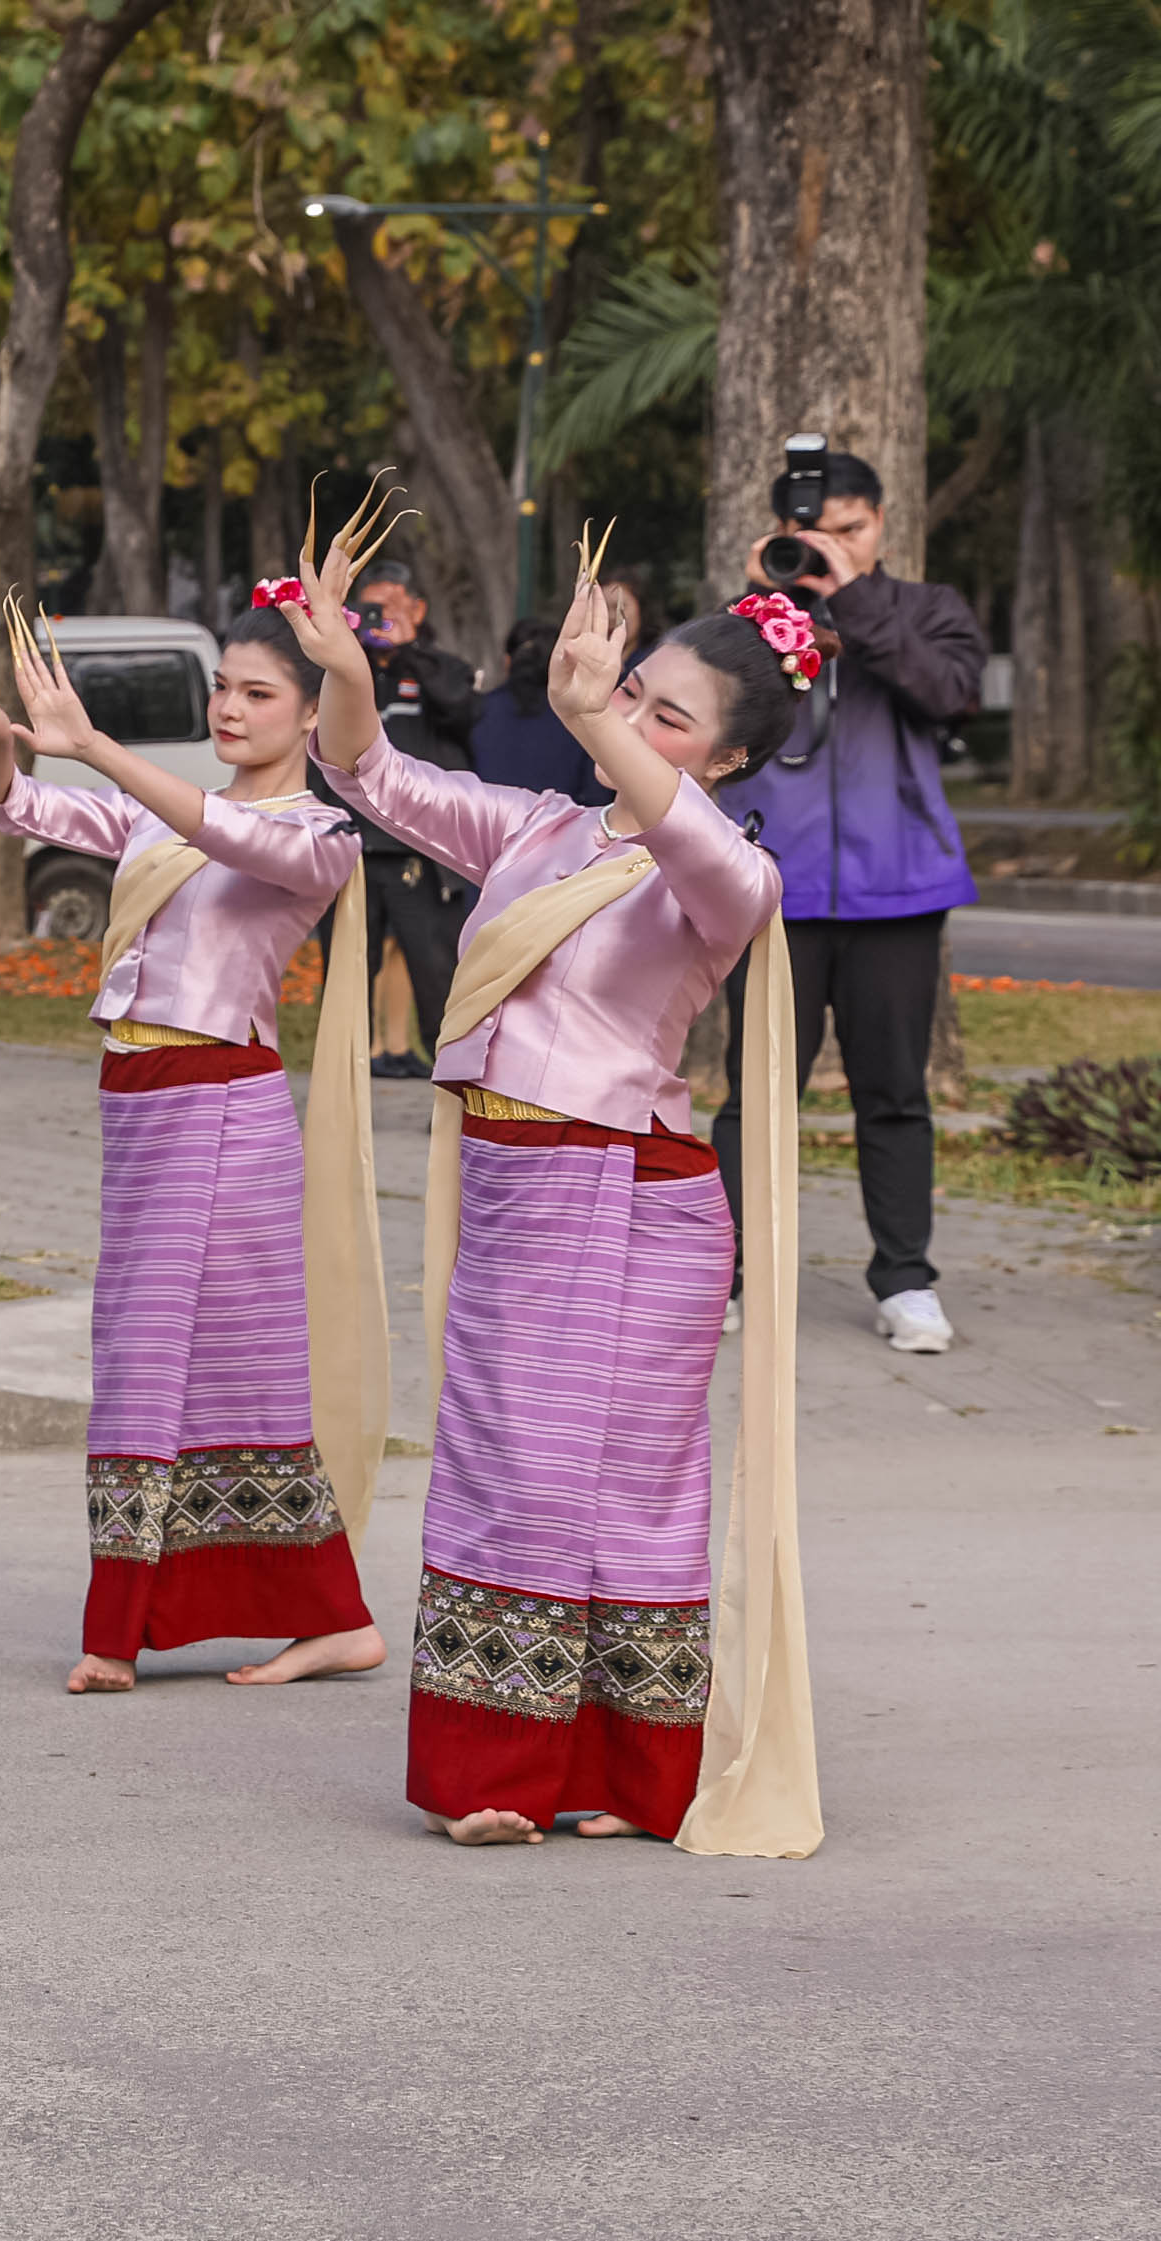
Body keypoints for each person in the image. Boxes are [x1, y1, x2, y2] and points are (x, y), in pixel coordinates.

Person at [300, 521, 817, 1854]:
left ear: (731, 759)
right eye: (631, 692)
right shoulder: (539, 828)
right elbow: (369, 775)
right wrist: (344, 664)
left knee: (613, 1485)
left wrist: (592, 717)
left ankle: (620, 1777)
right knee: (503, 1467)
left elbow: (699, 853)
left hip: (632, 1192)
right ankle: (516, 1767)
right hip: (519, 1184)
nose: (630, 720)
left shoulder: (728, 871)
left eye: (669, 718)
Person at [0, 582, 389, 1695]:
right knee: (201, 1367)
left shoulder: (320, 834)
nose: (229, 707)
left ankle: (127, 1631)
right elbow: (17, 808)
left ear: (314, 709)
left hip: (222, 1105)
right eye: (222, 687)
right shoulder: (167, 809)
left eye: (259, 693)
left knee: (181, 1365)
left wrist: (94, 744)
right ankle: (329, 1618)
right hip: (141, 1103)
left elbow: (220, 832)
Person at [712, 447, 988, 1357]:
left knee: (895, 1093)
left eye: (851, 530)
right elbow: (689, 713)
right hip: (771, 890)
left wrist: (855, 599)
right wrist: (759, 612)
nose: (831, 547)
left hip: (898, 890)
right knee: (756, 1093)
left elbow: (951, 695)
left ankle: (906, 1280)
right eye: (814, 534)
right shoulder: (752, 618)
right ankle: (724, 1274)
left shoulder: (926, 608)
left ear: (880, 525)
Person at [318, 557, 481, 1075]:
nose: (380, 618)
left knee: (437, 975)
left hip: (420, 850)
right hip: (351, 847)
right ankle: (343, 1082)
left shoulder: (441, 668)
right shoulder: (342, 670)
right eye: (371, 608)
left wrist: (409, 650)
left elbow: (463, 712)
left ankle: (455, 1082)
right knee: (346, 975)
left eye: (391, 607)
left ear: (418, 609)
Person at [467, 616, 615, 806]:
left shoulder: (475, 711)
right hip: (560, 822)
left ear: (507, 661)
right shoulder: (582, 720)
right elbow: (597, 798)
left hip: (484, 820)